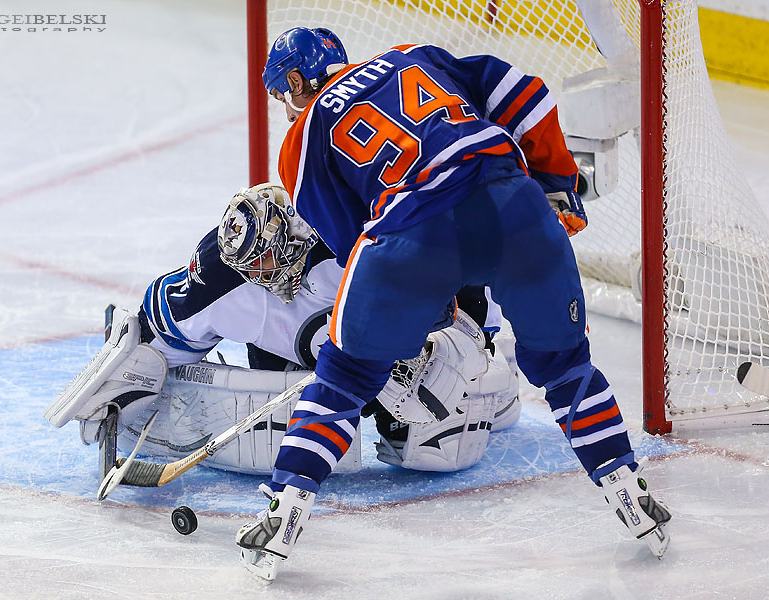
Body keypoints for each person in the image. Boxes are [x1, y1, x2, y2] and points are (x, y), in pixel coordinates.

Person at [235, 28, 671, 579]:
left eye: (285, 92)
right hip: (517, 207)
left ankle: (283, 516)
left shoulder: (303, 137)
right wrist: (558, 182)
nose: (287, 104)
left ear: (296, 81)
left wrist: (416, 304)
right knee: (567, 369)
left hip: (412, 235)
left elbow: (352, 241)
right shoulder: (412, 56)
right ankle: (631, 496)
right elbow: (526, 93)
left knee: (343, 380)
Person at [43, 183, 521, 480]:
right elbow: (161, 322)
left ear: (290, 236)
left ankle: (497, 384)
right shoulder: (223, 270)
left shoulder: (350, 240)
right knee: (290, 417)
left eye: (265, 261)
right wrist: (132, 367)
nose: (259, 275)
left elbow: (454, 274)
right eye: (248, 268)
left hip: (389, 347)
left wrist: (458, 342)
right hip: (307, 367)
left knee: (435, 448)